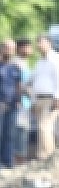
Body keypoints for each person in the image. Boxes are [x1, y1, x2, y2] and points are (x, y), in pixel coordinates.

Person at [29, 36, 59, 160]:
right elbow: (34, 81)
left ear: (49, 44)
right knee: (41, 129)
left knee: (45, 127)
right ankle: (42, 156)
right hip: (39, 99)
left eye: (42, 43)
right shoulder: (40, 62)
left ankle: (49, 156)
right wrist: (33, 101)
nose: (39, 45)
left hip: (51, 98)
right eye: (38, 43)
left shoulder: (56, 59)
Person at [0, 40, 23, 168]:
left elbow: (18, 86)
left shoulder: (16, 67)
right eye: (7, 48)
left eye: (12, 48)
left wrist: (19, 100)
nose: (9, 50)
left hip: (13, 105)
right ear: (2, 49)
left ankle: (8, 162)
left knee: (9, 134)